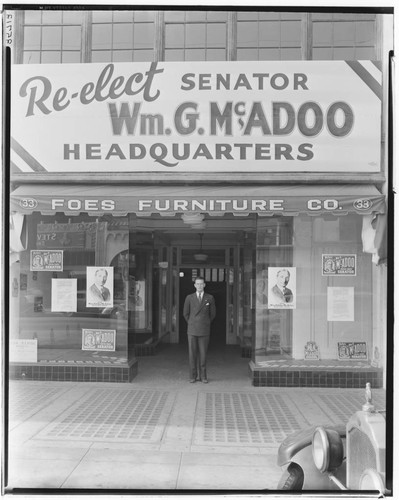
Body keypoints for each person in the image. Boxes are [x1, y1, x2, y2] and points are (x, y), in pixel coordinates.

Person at [183, 276, 216, 383]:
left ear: (204, 285)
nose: (199, 286)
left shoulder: (209, 298)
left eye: (201, 284)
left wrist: (205, 322)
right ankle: (193, 376)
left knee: (203, 354)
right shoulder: (189, 297)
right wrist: (192, 323)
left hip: (204, 329)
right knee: (192, 354)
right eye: (197, 284)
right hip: (192, 330)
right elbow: (185, 313)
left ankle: (203, 376)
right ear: (194, 285)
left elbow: (213, 314)